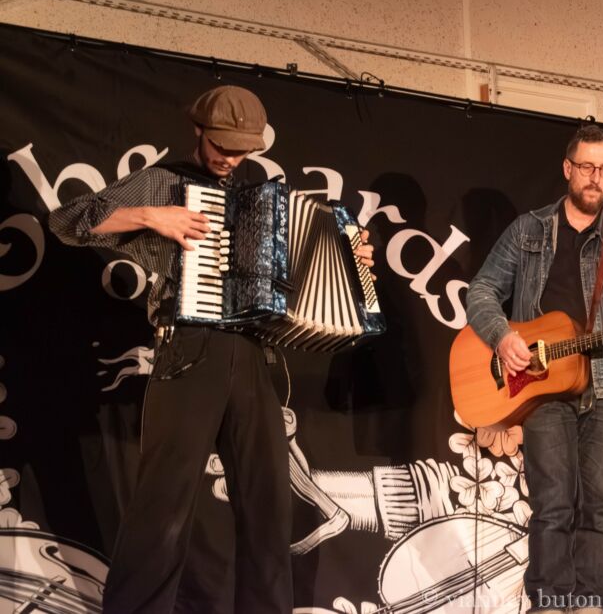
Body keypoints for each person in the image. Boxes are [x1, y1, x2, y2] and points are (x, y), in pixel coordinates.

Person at [49, 85, 374, 613]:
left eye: (241, 150)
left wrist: (350, 257)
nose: (229, 158)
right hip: (189, 350)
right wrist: (151, 216)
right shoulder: (164, 182)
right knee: (164, 507)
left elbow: (301, 279)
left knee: (269, 509)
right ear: (197, 129)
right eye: (221, 145)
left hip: (253, 354)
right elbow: (68, 221)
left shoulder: (261, 200)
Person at [465, 124, 603, 613]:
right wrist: (504, 337)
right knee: (554, 505)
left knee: (600, 510)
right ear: (567, 169)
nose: (595, 178)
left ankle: (586, 605)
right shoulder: (528, 231)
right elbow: (482, 291)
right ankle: (549, 604)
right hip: (542, 386)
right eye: (587, 167)